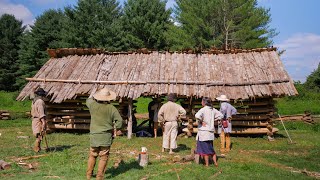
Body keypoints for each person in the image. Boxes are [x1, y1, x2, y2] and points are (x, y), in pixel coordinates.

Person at [86, 88, 123, 180]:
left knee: (92, 155)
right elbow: (120, 121)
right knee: (103, 157)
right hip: (106, 136)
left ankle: (88, 175)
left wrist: (95, 91)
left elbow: (88, 99)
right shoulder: (112, 108)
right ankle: (99, 177)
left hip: (94, 135)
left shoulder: (92, 105)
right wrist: (116, 128)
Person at [195, 97, 223, 167]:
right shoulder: (213, 110)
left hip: (203, 132)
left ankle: (207, 164)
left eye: (202, 101)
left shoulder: (203, 109)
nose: (201, 103)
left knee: (205, 150)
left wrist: (201, 121)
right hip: (210, 133)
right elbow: (221, 115)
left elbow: (197, 115)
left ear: (204, 102)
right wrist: (214, 119)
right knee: (211, 149)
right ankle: (215, 163)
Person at [31, 88, 47, 152]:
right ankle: (36, 149)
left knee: (39, 135)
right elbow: (41, 113)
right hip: (39, 120)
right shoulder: (40, 101)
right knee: (39, 135)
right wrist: (43, 122)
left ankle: (38, 148)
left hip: (34, 120)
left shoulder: (34, 101)